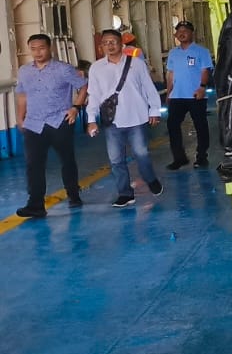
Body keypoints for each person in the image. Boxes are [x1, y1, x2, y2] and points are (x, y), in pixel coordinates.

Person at [85, 29, 164, 208]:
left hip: (137, 117)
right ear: (101, 46)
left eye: (113, 42)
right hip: (112, 121)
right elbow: (94, 95)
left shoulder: (137, 64)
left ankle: (150, 179)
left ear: (121, 44)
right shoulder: (96, 68)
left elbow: (148, 87)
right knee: (116, 160)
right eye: (106, 43)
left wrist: (154, 111)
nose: (110, 46)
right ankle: (125, 194)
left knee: (141, 154)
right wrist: (91, 120)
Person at [14, 33, 87, 218]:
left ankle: (73, 194)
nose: (37, 52)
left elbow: (83, 86)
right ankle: (36, 205)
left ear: (50, 48)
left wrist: (75, 108)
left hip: (59, 122)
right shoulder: (24, 71)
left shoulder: (64, 69)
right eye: (33, 49)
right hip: (33, 123)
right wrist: (20, 117)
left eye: (41, 48)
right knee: (33, 165)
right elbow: (22, 95)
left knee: (67, 160)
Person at [164, 20, 214, 170]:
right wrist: (169, 92)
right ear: (175, 35)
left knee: (200, 126)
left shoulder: (201, 51)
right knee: (172, 125)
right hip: (177, 96)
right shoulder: (173, 53)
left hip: (195, 95)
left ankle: (202, 156)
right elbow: (171, 74)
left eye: (185, 31)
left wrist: (202, 87)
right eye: (179, 31)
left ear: (192, 33)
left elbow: (205, 71)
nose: (182, 33)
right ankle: (179, 158)